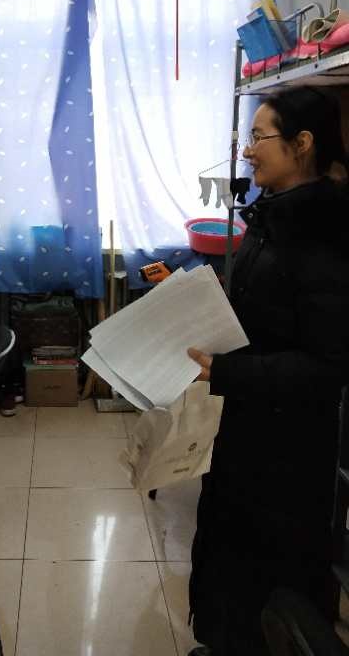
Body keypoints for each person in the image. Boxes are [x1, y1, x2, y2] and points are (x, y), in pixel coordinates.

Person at [186, 86, 349, 656]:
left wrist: (226, 373)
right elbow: (266, 312)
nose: (247, 150)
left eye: (259, 137)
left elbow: (327, 366)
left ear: (302, 144)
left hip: (287, 452)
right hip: (248, 427)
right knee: (226, 557)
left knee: (265, 577)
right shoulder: (272, 214)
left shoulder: (323, 234)